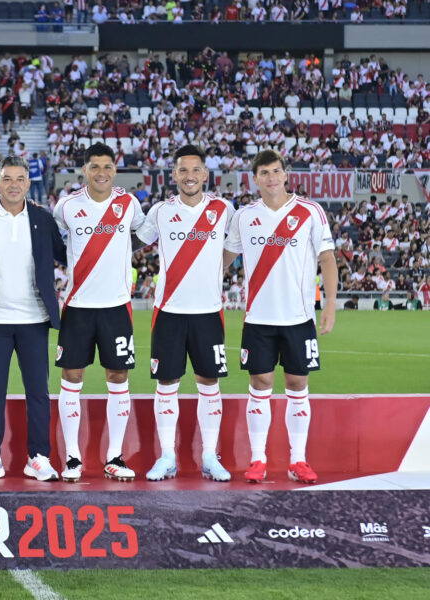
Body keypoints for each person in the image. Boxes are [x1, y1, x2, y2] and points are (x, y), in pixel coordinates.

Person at [223, 149, 337, 485]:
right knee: (259, 385)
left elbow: (327, 260)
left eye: (276, 171)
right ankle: (257, 459)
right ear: (255, 179)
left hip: (299, 319)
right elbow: (225, 257)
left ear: (286, 174)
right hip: (258, 318)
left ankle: (298, 460)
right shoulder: (243, 216)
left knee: (297, 385)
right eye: (264, 173)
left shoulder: (310, 212)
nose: (271, 178)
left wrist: (329, 304)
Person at [0, 156, 67, 482]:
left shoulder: (42, 218)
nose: (13, 185)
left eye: (20, 179)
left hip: (34, 319)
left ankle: (38, 458)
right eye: (7, 179)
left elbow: (69, 256)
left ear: (27, 183)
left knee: (38, 392)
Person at [133, 145, 233, 482]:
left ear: (205, 174)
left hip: (208, 312)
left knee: (209, 383)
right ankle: (166, 457)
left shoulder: (224, 209)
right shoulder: (160, 211)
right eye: (183, 171)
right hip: (169, 312)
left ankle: (209, 456)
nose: (189, 176)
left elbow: (235, 248)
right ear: (174, 175)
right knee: (166, 383)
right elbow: (130, 243)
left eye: (196, 170)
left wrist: (212, 275)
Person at [52, 142, 146, 482]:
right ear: (85, 170)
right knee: (71, 379)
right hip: (77, 307)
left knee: (118, 378)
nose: (101, 173)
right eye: (95, 167)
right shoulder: (66, 207)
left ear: (114, 170)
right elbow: (52, 241)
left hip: (116, 307)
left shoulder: (129, 204)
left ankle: (115, 457)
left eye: (107, 166)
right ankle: (73, 458)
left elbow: (144, 235)